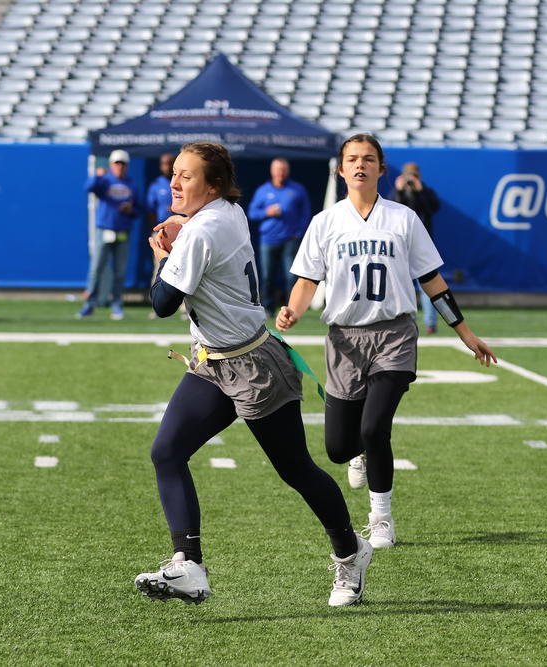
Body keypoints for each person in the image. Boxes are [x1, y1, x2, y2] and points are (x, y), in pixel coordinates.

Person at [135, 142, 370, 608]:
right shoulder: (230, 211)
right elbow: (205, 229)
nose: (174, 184)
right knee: (167, 451)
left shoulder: (202, 230)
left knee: (295, 469)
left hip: (251, 366)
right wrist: (183, 226)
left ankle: (351, 551)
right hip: (213, 361)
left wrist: (162, 253)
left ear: (214, 185)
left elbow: (161, 304)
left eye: (187, 176)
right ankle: (190, 566)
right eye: (174, 174)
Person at [276, 133, 496, 551]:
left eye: (369, 159)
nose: (360, 165)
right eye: (353, 159)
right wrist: (292, 311)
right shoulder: (325, 222)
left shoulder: (403, 218)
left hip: (394, 334)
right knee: (339, 449)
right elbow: (307, 281)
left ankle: (381, 518)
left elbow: (433, 281)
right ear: (341, 169)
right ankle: (358, 453)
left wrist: (465, 333)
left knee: (375, 427)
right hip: (344, 340)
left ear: (381, 168)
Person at [77, 149, 141, 320]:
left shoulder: (132, 185)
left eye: (123, 163)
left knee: (120, 272)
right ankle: (89, 304)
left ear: (127, 166)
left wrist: (130, 210)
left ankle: (117, 305)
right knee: (96, 269)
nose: (120, 166)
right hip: (104, 229)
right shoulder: (105, 181)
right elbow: (88, 187)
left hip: (122, 231)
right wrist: (98, 176)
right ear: (111, 165)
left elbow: (138, 210)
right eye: (117, 163)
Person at [247, 158, 312, 317]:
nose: (280, 173)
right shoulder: (263, 190)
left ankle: (291, 309)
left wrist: (299, 233)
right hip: (268, 239)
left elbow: (306, 214)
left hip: (290, 239)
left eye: (283, 169)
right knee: (268, 276)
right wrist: (266, 213)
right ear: (272, 171)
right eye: (278, 169)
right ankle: (268, 309)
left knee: (291, 276)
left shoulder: (297, 189)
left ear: (287, 171)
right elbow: (252, 213)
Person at [389, 162, 441, 334]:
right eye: (408, 175)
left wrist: (420, 191)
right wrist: (399, 190)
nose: (411, 179)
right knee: (400, 284)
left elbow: (433, 208)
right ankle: (403, 321)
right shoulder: (398, 192)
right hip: (400, 245)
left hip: (422, 245)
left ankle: (430, 323)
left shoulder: (427, 192)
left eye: (414, 176)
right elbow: (392, 210)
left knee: (428, 285)